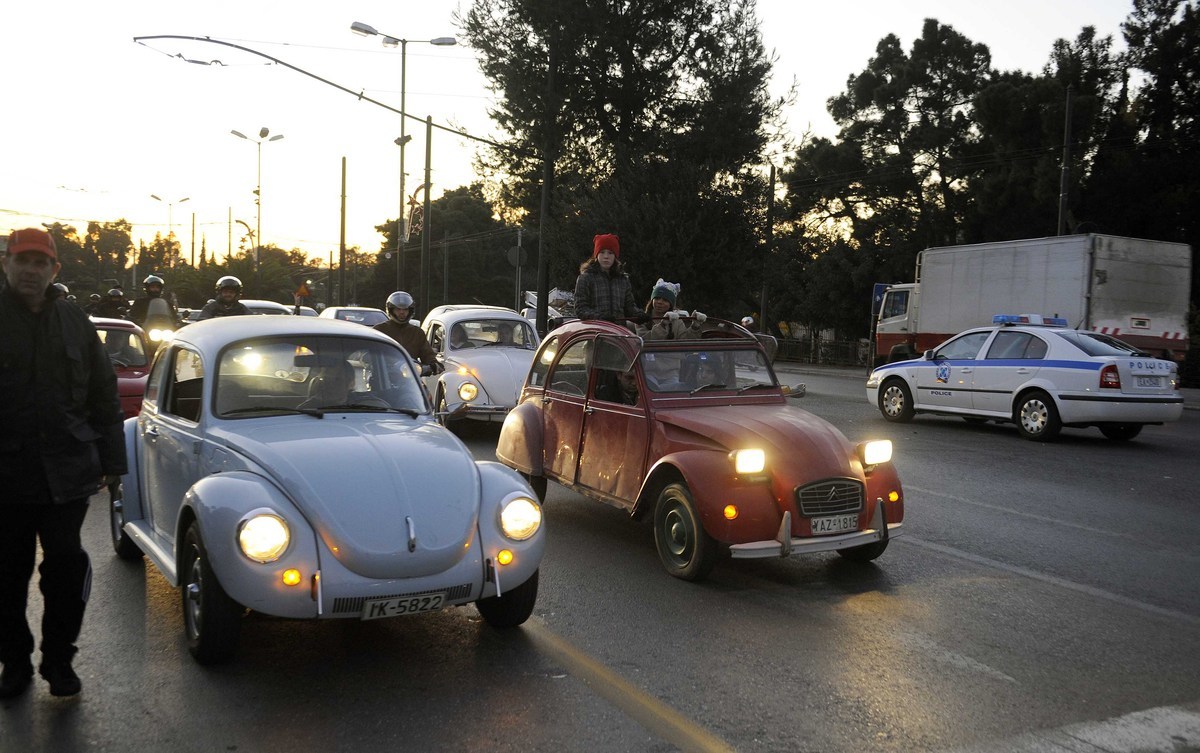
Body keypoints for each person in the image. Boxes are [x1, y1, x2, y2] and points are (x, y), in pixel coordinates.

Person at [0, 228, 126, 699]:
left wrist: (114, 462)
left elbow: (102, 395)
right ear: (6, 265)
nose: (30, 270)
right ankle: (14, 662)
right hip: (6, 479)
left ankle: (58, 660)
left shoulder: (75, 321)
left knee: (66, 569)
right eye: (21, 261)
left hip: (67, 474)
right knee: (6, 576)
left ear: (54, 269)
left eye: (40, 263)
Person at [573, 234, 644, 325]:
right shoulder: (586, 278)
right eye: (602, 252)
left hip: (619, 333)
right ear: (596, 255)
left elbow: (629, 307)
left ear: (615, 256)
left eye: (610, 253)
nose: (606, 256)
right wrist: (599, 317)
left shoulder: (623, 280)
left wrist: (639, 315)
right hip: (595, 332)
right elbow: (580, 308)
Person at [373, 291, 440, 372]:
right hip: (382, 377)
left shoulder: (417, 332)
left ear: (410, 310)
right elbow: (366, 354)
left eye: (405, 309)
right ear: (391, 310)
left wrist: (434, 365)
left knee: (422, 385)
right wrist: (373, 362)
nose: (402, 312)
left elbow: (428, 355)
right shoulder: (379, 330)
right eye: (398, 309)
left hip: (409, 377)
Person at [636, 279, 707, 340]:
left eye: (665, 300)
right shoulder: (642, 319)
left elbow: (685, 343)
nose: (660, 302)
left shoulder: (677, 321)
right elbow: (644, 342)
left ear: (671, 304)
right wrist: (662, 325)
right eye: (657, 298)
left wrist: (695, 327)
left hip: (675, 356)